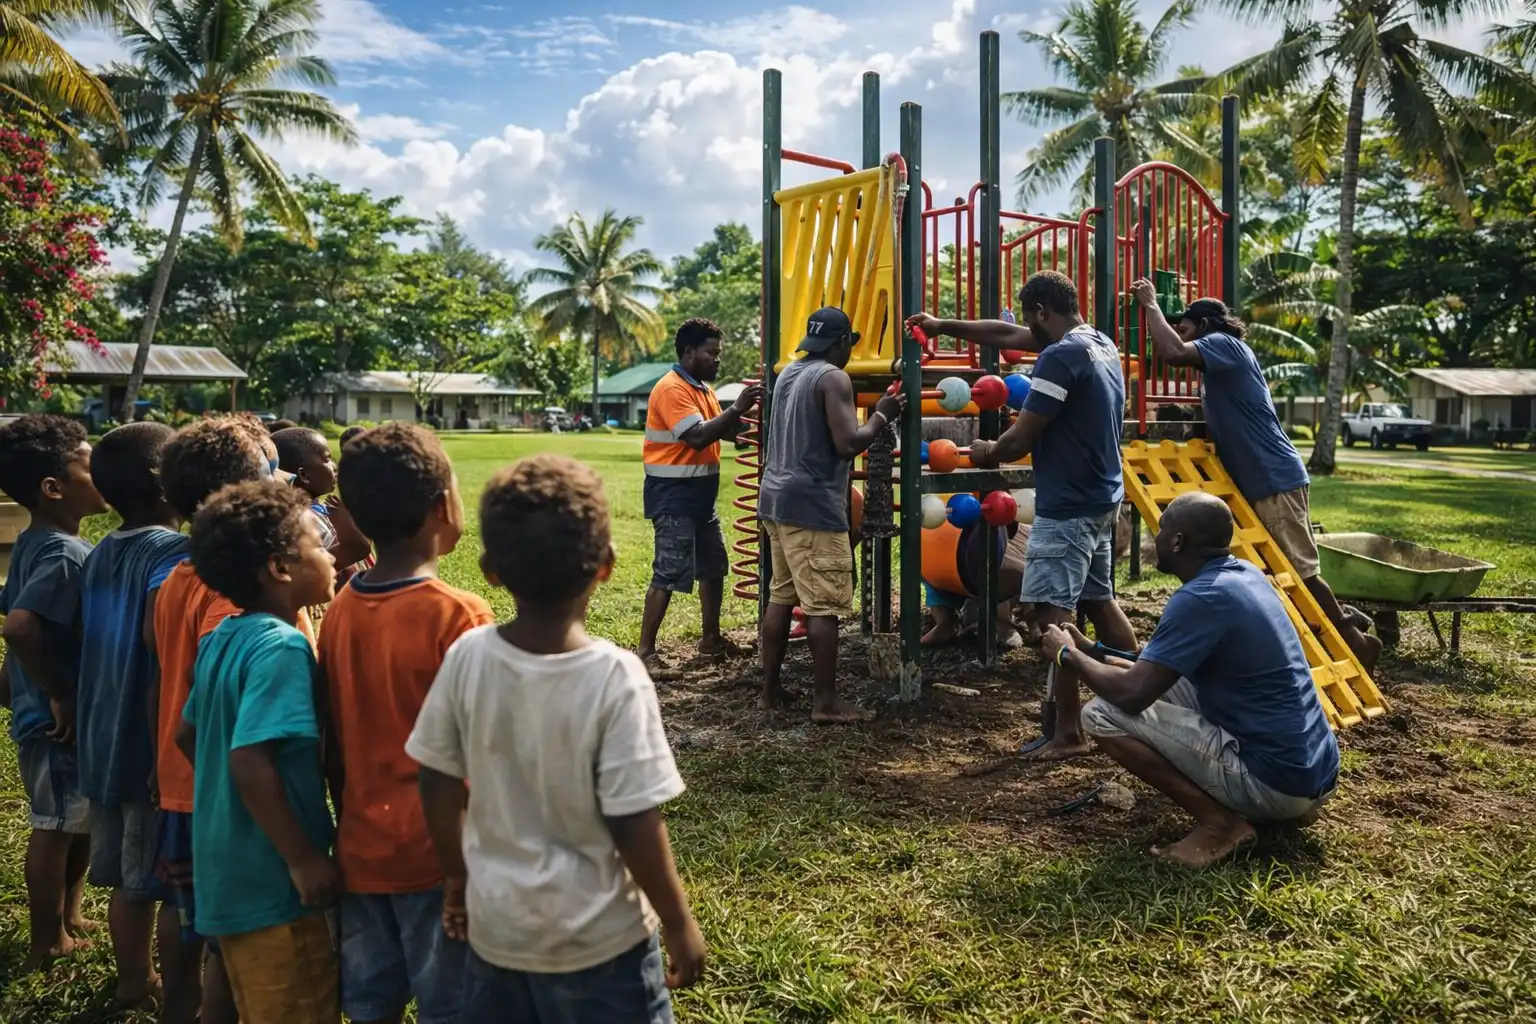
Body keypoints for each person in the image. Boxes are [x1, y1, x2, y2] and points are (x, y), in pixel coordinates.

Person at [407, 454, 704, 1023]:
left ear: (491, 570)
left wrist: (455, 876)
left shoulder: (469, 656)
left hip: (496, 931)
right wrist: (677, 921)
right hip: (603, 946)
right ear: (607, 566)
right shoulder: (615, 677)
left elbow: (437, 779)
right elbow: (635, 820)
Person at [907, 271, 1139, 758]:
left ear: (1039, 312)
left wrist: (985, 449)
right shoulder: (1099, 343)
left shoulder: (1059, 357)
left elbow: (1018, 442)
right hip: (1102, 497)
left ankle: (1068, 733)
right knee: (1099, 602)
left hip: (1070, 505)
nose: (1024, 336)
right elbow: (1007, 335)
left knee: (1048, 616)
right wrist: (944, 324)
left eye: (1029, 321)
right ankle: (1139, 705)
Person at [1041, 492, 1340, 869]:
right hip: (1315, 774)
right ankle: (1278, 808)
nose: (1157, 533)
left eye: (1162, 528)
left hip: (1278, 783)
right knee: (1139, 680)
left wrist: (1067, 655)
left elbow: (1132, 696)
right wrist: (1093, 651)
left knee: (1102, 714)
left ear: (1178, 542)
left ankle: (1221, 825)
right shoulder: (1243, 575)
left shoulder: (1199, 598)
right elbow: (1153, 670)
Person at [318, 424, 493, 1024]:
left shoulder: (338, 610)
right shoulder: (460, 615)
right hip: (443, 857)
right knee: (454, 1003)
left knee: (370, 1003)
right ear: (444, 506)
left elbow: (334, 743)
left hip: (363, 849)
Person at [1129, 281, 1383, 670]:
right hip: (1263, 479)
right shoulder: (1220, 363)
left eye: (1185, 324)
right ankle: (1329, 635)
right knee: (1279, 572)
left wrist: (1150, 305)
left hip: (1273, 478)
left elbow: (1173, 352)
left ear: (1204, 324)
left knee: (1300, 572)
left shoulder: (1225, 345)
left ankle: (1355, 641)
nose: (1179, 329)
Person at [178, 480, 340, 1024]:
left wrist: (227, 801)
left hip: (225, 869)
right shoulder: (284, 647)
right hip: (276, 881)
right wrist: (303, 858)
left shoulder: (224, 635)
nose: (331, 552)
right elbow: (250, 760)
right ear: (280, 568)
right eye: (319, 543)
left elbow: (188, 735)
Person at [152, 419, 276, 1024]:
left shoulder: (174, 579)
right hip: (223, 793)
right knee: (230, 929)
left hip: (178, 786)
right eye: (272, 474)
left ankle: (178, 1007)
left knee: (184, 915)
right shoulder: (235, 600)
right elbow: (218, 698)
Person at [77, 422, 190, 1008]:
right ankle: (145, 982)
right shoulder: (172, 553)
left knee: (126, 878)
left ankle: (133, 977)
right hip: (144, 743)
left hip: (100, 736)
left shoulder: (100, 550)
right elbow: (159, 639)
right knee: (150, 882)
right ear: (166, 486)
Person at [758, 307, 907, 723]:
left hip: (775, 499)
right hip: (812, 505)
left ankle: (770, 691)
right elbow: (847, 443)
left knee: (782, 596)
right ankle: (826, 703)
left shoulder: (789, 372)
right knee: (823, 606)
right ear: (842, 343)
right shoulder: (833, 378)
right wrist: (882, 414)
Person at [0, 414, 107, 972]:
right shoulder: (65, 554)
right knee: (56, 824)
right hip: (56, 718)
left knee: (77, 819)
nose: (102, 474)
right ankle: (47, 939)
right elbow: (18, 627)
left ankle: (71, 913)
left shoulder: (42, 541)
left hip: (54, 711)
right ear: (54, 487)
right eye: (89, 465)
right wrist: (59, 694)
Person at [637, 317, 762, 678]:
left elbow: (722, 430)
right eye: (712, 353)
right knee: (668, 571)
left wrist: (747, 421)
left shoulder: (701, 389)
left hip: (700, 499)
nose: (717, 360)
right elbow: (695, 436)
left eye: (718, 353)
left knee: (713, 566)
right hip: (674, 496)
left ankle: (710, 639)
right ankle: (645, 652)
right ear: (689, 351)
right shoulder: (672, 389)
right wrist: (736, 408)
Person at [273, 426, 370, 594]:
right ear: (303, 476)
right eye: (326, 459)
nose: (334, 466)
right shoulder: (303, 521)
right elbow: (357, 548)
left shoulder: (321, 509)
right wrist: (346, 524)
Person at [921, 521, 1031, 648]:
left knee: (1000, 567)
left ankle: (1002, 625)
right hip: (959, 555)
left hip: (964, 561)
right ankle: (947, 622)